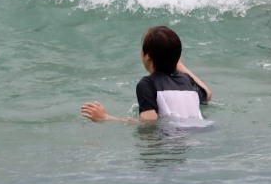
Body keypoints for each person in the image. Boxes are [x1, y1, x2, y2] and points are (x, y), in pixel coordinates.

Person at [81, 26, 212, 123]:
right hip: (200, 134)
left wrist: (106, 118)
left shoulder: (147, 84)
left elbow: (148, 123)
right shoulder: (186, 80)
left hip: (173, 141)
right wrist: (176, 61)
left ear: (147, 56)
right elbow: (207, 94)